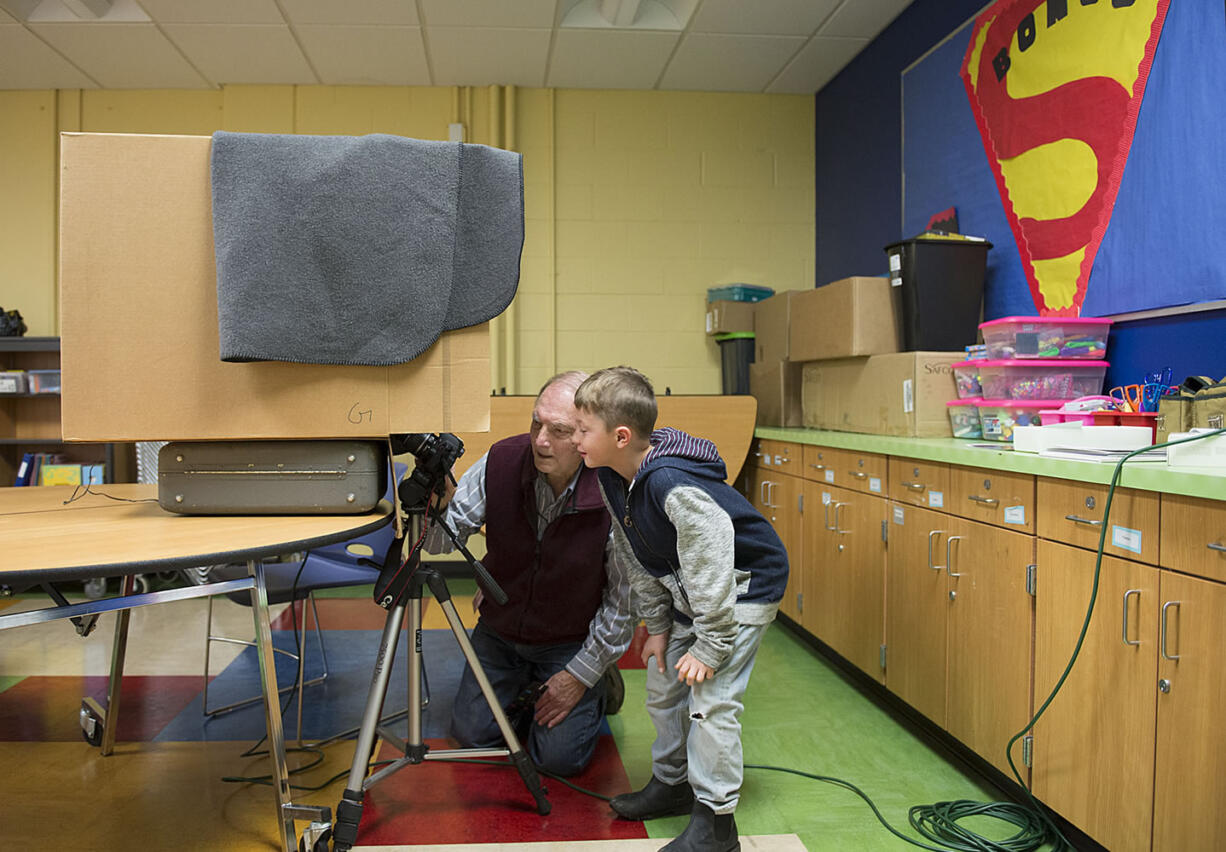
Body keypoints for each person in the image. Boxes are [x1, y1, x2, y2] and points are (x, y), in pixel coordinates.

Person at [572, 366, 789, 852]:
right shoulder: (610, 475)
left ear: (621, 435)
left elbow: (713, 553)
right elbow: (635, 551)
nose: (574, 438)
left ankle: (717, 826)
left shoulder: (672, 483)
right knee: (664, 685)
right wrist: (659, 626)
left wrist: (712, 645)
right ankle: (672, 785)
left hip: (742, 589)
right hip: (692, 592)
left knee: (711, 703)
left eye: (583, 429)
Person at [423, 370, 632, 777]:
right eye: (537, 422)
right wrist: (435, 506)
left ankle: (601, 682)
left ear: (587, 437)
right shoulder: (500, 461)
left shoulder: (616, 494)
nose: (540, 440)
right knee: (472, 739)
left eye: (559, 430)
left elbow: (623, 606)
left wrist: (579, 676)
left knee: (557, 761)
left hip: (569, 638)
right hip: (501, 632)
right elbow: (439, 544)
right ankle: (524, 689)